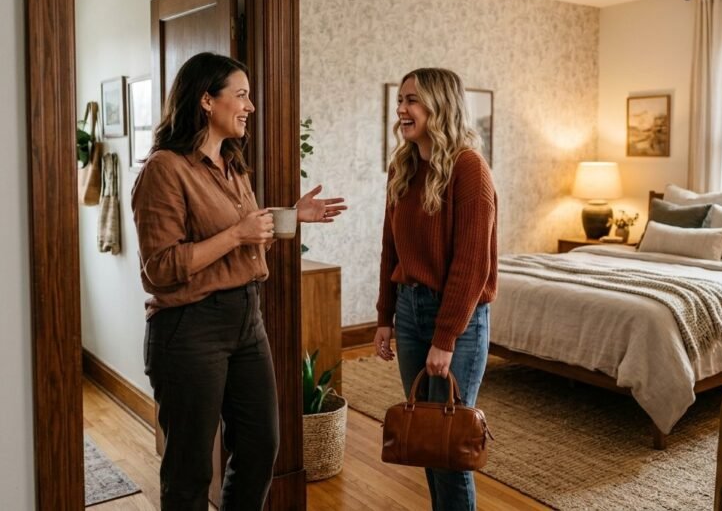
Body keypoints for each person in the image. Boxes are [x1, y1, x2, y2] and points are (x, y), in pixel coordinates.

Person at [131, 51, 346, 511]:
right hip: (189, 328)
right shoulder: (165, 169)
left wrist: (291, 216)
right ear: (206, 100)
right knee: (189, 471)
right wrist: (237, 235)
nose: (250, 106)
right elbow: (160, 269)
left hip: (247, 320)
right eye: (242, 95)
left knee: (260, 446)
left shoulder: (233, 164)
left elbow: (248, 243)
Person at [373, 68, 498, 511]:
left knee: (450, 446)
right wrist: (385, 316)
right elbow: (391, 248)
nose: (402, 109)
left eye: (412, 100)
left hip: (458, 319)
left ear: (440, 105)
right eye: (400, 100)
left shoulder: (469, 168)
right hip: (410, 311)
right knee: (427, 436)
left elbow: (472, 265)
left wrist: (445, 339)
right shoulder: (403, 166)